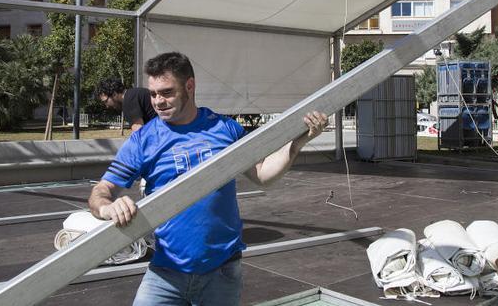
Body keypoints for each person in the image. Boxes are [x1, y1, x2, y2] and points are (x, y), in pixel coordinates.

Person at [88, 52, 328, 305]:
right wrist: (107, 208)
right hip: (166, 272)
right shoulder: (143, 140)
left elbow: (263, 175)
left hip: (222, 271)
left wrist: (298, 142)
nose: (158, 102)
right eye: (153, 93)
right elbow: (101, 191)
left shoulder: (224, 129)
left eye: (167, 92)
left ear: (189, 86)